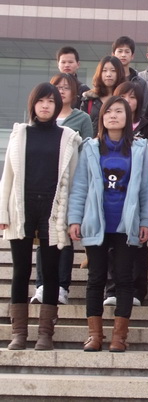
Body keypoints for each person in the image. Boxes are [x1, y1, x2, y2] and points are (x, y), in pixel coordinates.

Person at [68, 96, 148, 352]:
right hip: (96, 222)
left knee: (124, 279)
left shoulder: (140, 148)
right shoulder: (91, 147)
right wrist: (75, 219)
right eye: (108, 111)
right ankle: (95, 335)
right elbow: (80, 186)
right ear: (102, 117)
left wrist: (146, 220)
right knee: (95, 278)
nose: (113, 115)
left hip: (126, 225)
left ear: (128, 117)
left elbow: (146, 188)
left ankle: (119, 337)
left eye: (118, 111)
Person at [1, 82, 81, 351]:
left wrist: (72, 216)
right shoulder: (20, 133)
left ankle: (46, 333)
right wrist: (3, 212)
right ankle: (19, 333)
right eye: (40, 101)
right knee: (20, 270)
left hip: (53, 209)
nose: (45, 106)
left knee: (50, 272)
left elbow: (74, 179)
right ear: (33, 104)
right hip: (22, 208)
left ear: (58, 105)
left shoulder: (68, 137)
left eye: (50, 101)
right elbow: (7, 176)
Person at [29, 73, 93, 306]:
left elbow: (87, 150)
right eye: (58, 87)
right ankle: (41, 285)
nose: (62, 91)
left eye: (66, 87)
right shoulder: (38, 121)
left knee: (63, 237)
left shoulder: (81, 118)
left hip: (69, 185)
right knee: (43, 239)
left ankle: (62, 287)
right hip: (40, 188)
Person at [100, 82, 148, 307]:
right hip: (110, 199)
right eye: (123, 96)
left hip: (136, 195)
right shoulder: (101, 137)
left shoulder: (147, 127)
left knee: (137, 247)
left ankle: (137, 288)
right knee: (110, 248)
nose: (127, 101)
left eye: (132, 97)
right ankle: (112, 288)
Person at [80, 56, 126, 136]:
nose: (108, 74)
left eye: (113, 70)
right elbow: (82, 125)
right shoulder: (89, 100)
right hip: (93, 142)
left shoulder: (125, 99)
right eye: (104, 71)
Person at [111, 36, 148, 106]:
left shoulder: (140, 83)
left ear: (132, 56)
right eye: (120, 51)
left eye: (127, 52)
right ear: (113, 54)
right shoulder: (109, 79)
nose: (123, 55)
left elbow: (144, 107)